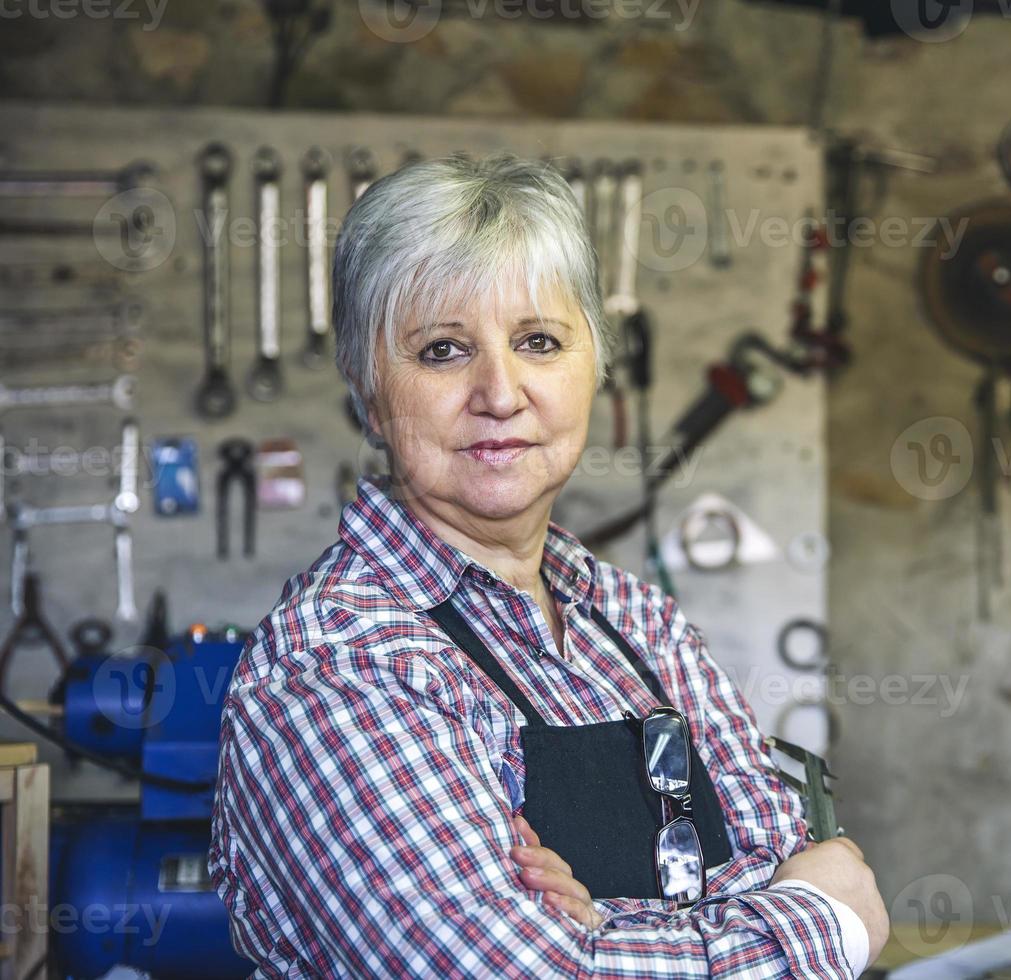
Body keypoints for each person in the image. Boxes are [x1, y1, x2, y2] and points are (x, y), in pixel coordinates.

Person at [208, 153, 889, 978]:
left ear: (593, 363)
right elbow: (501, 972)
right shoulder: (340, 661)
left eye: (538, 341)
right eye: (442, 351)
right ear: (367, 386)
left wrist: (599, 927)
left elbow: (787, 855)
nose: (500, 391)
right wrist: (819, 928)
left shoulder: (636, 621)